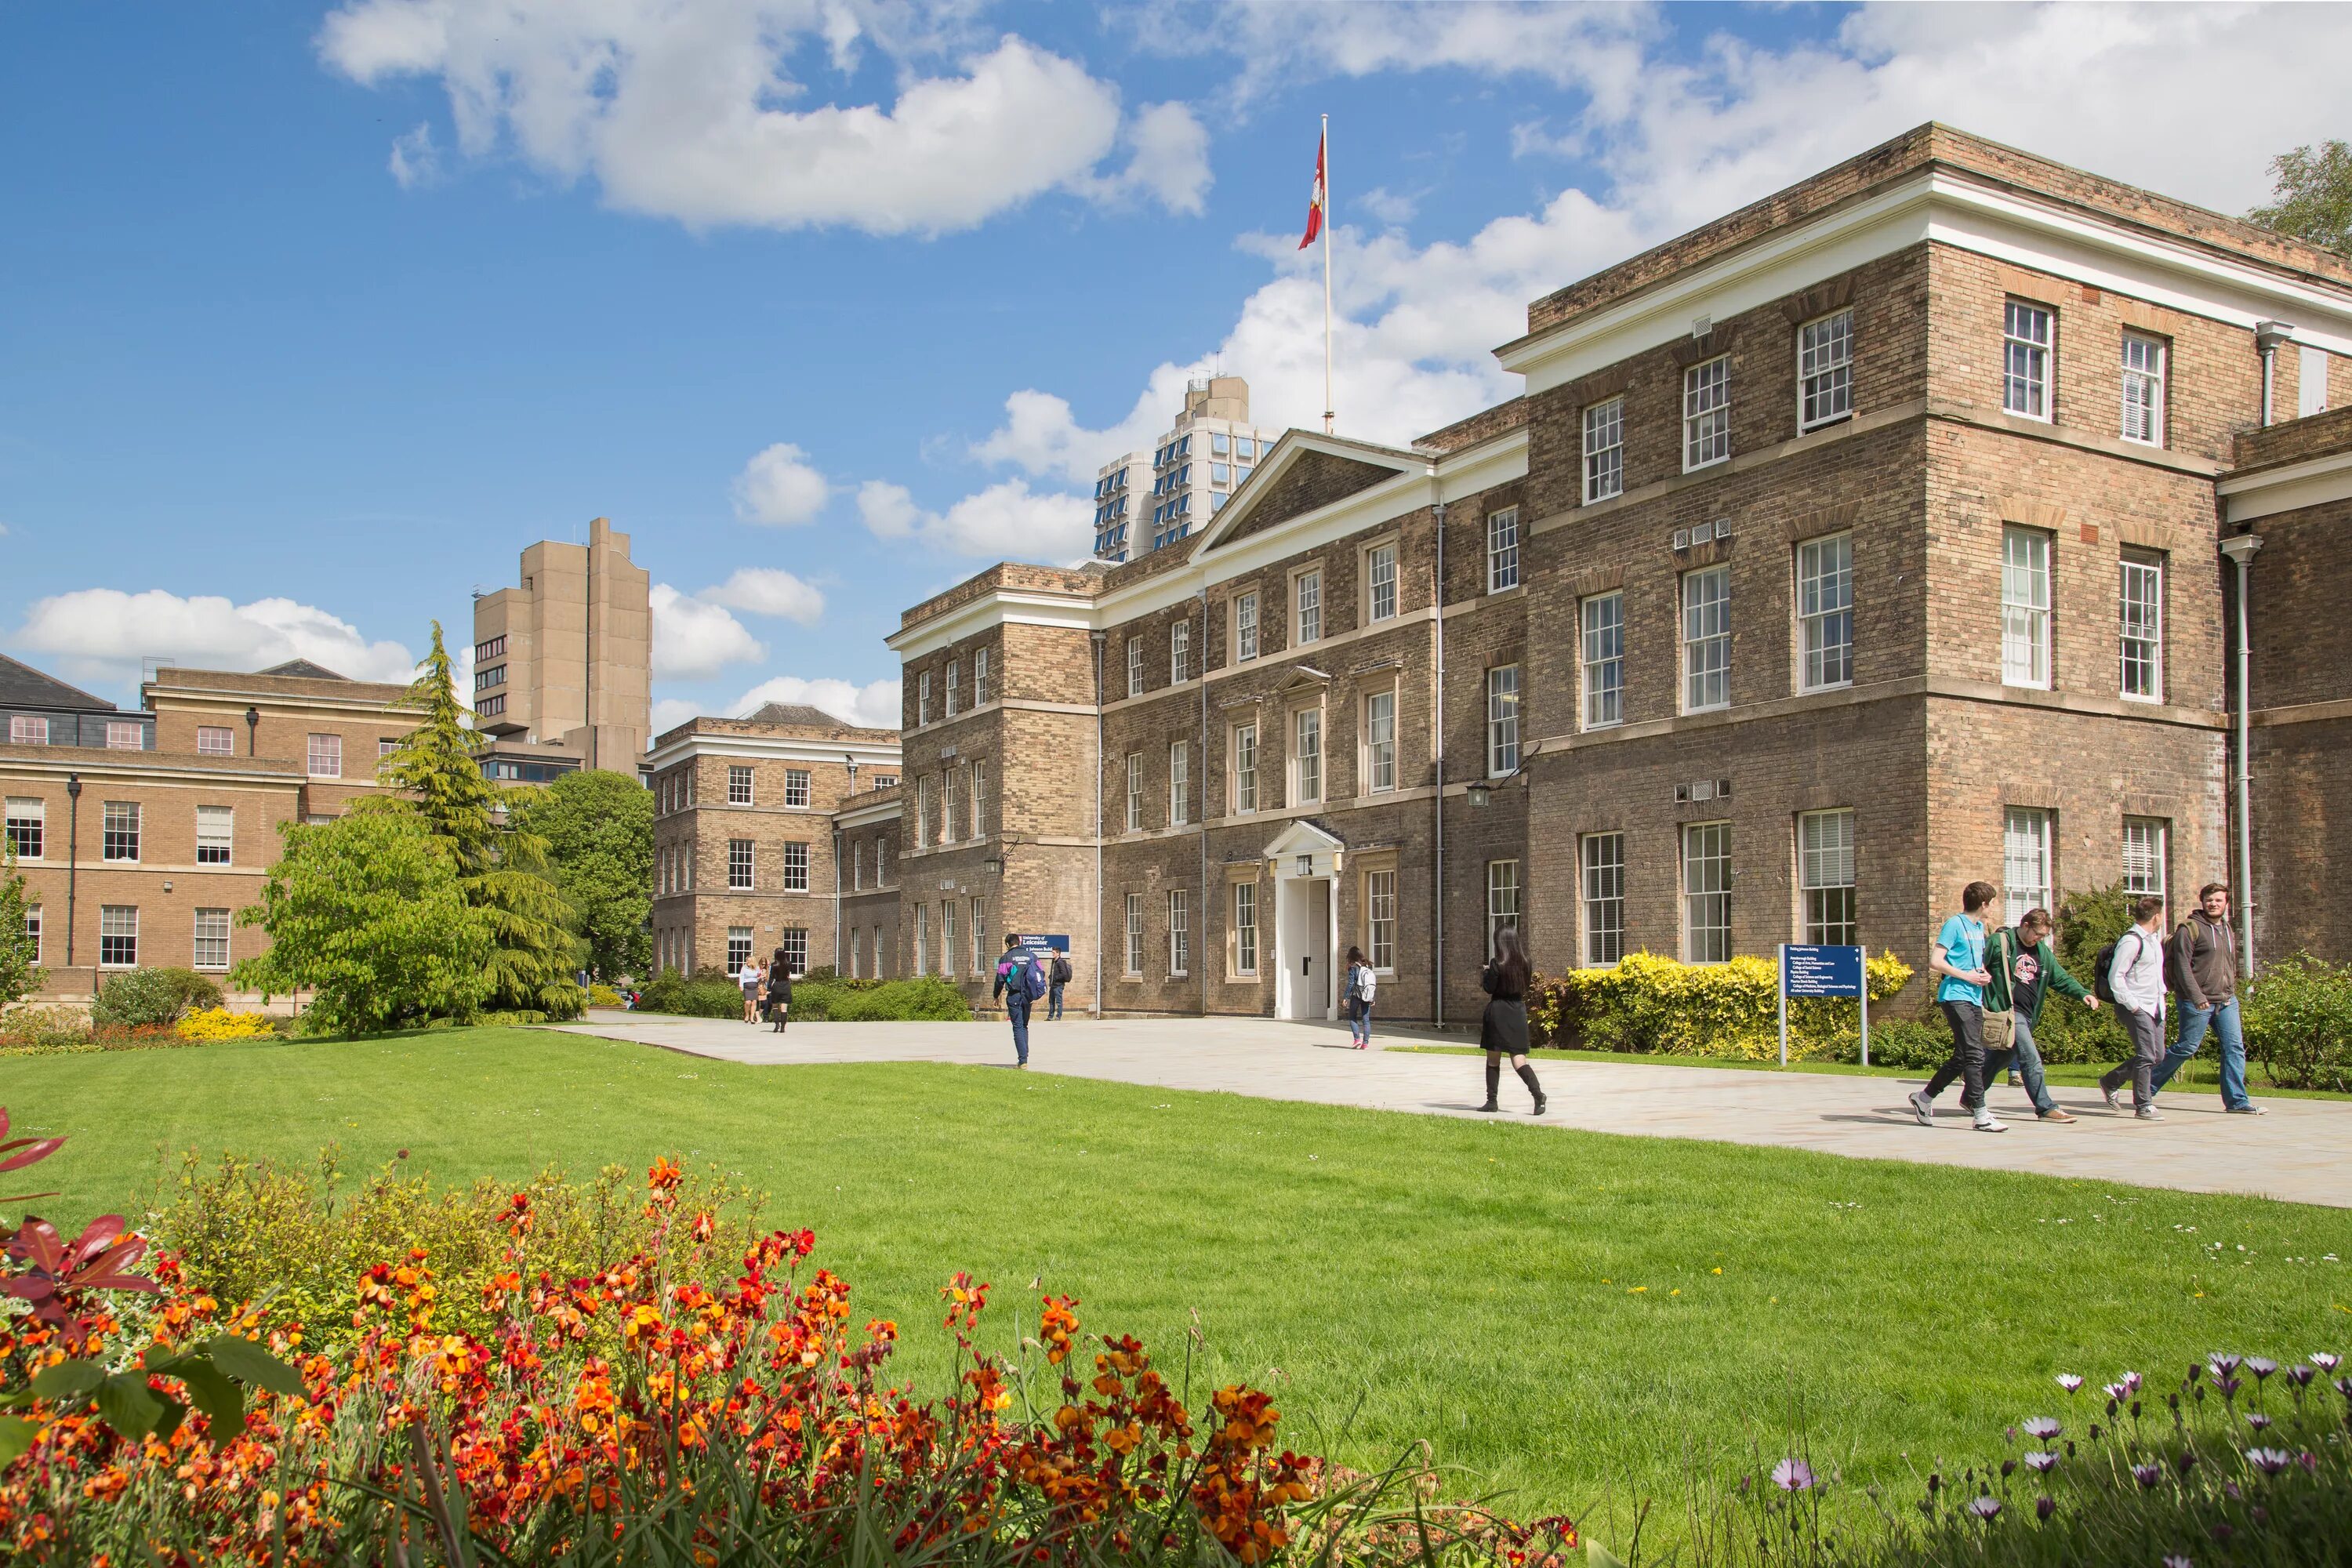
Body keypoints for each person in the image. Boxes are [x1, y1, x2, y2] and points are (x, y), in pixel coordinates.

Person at [1913, 906, 2096, 1123]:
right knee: (2030, 1058)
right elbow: (1975, 964)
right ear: (2025, 925)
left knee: (1999, 1058)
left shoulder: (2042, 952)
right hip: (2007, 1012)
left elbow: (2060, 978)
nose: (2039, 939)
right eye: (2037, 933)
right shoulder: (2001, 943)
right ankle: (2045, 1107)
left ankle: (1970, 1098)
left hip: (2027, 1015)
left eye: (2044, 936)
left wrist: (2083, 994)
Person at [2151, 884, 2262, 1115]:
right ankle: (2146, 1087)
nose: (2213, 904)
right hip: (2196, 1001)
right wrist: (2197, 996)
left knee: (2235, 1048)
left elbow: (2228, 964)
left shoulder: (2227, 928)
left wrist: (2231, 990)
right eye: (2210, 900)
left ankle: (2237, 1102)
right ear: (2202, 901)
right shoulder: (2189, 929)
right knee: (2186, 1047)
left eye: (2218, 900)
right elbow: (2182, 968)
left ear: (2226, 903)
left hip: (2227, 1000)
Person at [1910, 881, 2003, 1131]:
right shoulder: (1954, 924)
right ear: (1983, 904)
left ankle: (1924, 1098)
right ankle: (1981, 1115)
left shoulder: (1979, 927)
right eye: (1991, 903)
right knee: (1975, 1053)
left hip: (1974, 996)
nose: (1992, 908)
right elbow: (1935, 961)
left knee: (1963, 1056)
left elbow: (1971, 962)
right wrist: (1967, 976)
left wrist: (1982, 974)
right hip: (1955, 995)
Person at [2099, 895, 2170, 1120]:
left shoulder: (2153, 941)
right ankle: (2143, 1104)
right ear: (2157, 916)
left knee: (2157, 1056)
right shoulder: (2131, 941)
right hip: (2137, 1007)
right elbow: (2116, 977)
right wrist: (2134, 1006)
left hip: (2156, 1005)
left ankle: (2111, 1081)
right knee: (2147, 1055)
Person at [1477, 929, 1546, 1115]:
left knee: (1493, 1059)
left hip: (1498, 1011)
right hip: (1517, 1011)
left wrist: (1486, 973)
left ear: (1499, 943)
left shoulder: (1497, 963)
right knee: (1519, 1059)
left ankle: (1492, 1101)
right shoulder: (1526, 963)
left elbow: (1490, 988)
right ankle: (1538, 1094)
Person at [991, 934, 1044, 1068]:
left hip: (1014, 996)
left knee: (1018, 1027)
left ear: (1008, 944)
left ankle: (1023, 1060)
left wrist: (996, 996)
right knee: (1024, 1026)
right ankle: (1024, 1056)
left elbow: (1000, 979)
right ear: (1019, 942)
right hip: (1028, 996)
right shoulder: (1032, 956)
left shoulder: (1006, 958)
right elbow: (1041, 973)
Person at [1343, 946, 1375, 1048]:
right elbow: (1370, 983)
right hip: (1367, 995)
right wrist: (1372, 997)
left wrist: (1346, 997)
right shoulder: (1367, 966)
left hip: (1357, 995)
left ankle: (1357, 1039)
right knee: (1366, 1020)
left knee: (1352, 1017)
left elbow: (1351, 983)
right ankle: (1365, 1043)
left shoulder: (1353, 967)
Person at [764, 949, 793, 1034]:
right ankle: (783, 1027)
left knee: (775, 1006)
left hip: (777, 985)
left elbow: (771, 977)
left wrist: (768, 988)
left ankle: (777, 1025)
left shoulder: (774, 965)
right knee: (784, 1007)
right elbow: (789, 974)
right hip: (786, 985)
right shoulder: (789, 963)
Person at [738, 955, 764, 1025]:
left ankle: (752, 1018)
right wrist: (741, 985)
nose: (747, 962)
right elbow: (742, 976)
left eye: (749, 961)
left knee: (754, 1002)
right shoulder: (744, 968)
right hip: (747, 986)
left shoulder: (757, 968)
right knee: (748, 1002)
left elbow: (759, 976)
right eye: (747, 961)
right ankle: (747, 1014)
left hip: (754, 986)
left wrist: (760, 977)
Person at [1048, 949, 1073, 1021]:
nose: (1052, 954)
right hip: (1053, 985)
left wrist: (1055, 978)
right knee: (1051, 1001)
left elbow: (1064, 974)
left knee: (1058, 1001)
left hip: (1058, 985)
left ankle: (1058, 1016)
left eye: (1054, 953)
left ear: (1058, 953)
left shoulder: (1060, 962)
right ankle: (1050, 1016)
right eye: (1052, 953)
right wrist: (1051, 977)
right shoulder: (1054, 961)